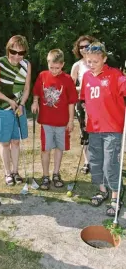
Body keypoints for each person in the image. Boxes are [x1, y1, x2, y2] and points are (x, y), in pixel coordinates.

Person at [80, 42, 126, 216]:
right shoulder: (87, 77)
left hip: (113, 128)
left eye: (95, 61)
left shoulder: (115, 75)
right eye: (88, 61)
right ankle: (102, 190)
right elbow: (85, 99)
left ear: (104, 59)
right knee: (96, 162)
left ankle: (115, 196)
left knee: (110, 164)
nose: (91, 64)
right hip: (94, 128)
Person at [31, 49, 78, 190]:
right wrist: (34, 102)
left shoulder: (68, 79)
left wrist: (71, 121)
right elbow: (37, 92)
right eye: (51, 67)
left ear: (63, 64)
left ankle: (56, 174)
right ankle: (45, 176)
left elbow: (71, 102)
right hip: (46, 121)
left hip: (62, 123)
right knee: (45, 149)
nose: (54, 70)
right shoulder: (42, 76)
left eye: (57, 68)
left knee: (59, 148)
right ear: (48, 63)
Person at [0, 35, 31, 185]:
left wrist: (21, 104)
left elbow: (27, 88)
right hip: (3, 108)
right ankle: (7, 173)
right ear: (8, 50)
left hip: (19, 107)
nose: (16, 56)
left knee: (16, 141)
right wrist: (10, 101)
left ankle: (16, 172)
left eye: (21, 53)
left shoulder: (26, 65)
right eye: (13, 52)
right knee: (5, 143)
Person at [71, 35, 97, 174]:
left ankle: (99, 160)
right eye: (81, 47)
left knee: (99, 133)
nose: (84, 49)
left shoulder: (99, 63)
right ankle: (87, 162)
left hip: (98, 102)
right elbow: (70, 86)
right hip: (82, 102)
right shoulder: (77, 65)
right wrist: (83, 87)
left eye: (87, 46)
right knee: (84, 132)